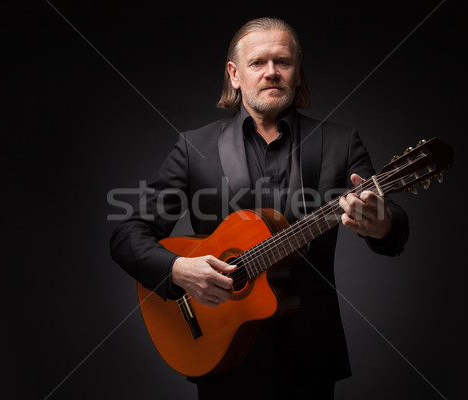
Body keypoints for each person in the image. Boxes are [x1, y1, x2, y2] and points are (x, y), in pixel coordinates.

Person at [110, 17, 409, 399]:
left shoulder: (340, 142)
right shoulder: (193, 147)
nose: (271, 72)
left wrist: (379, 224)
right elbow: (127, 235)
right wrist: (178, 269)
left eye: (283, 62)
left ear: (298, 74)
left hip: (310, 354)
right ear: (234, 74)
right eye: (257, 63)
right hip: (220, 347)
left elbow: (394, 223)